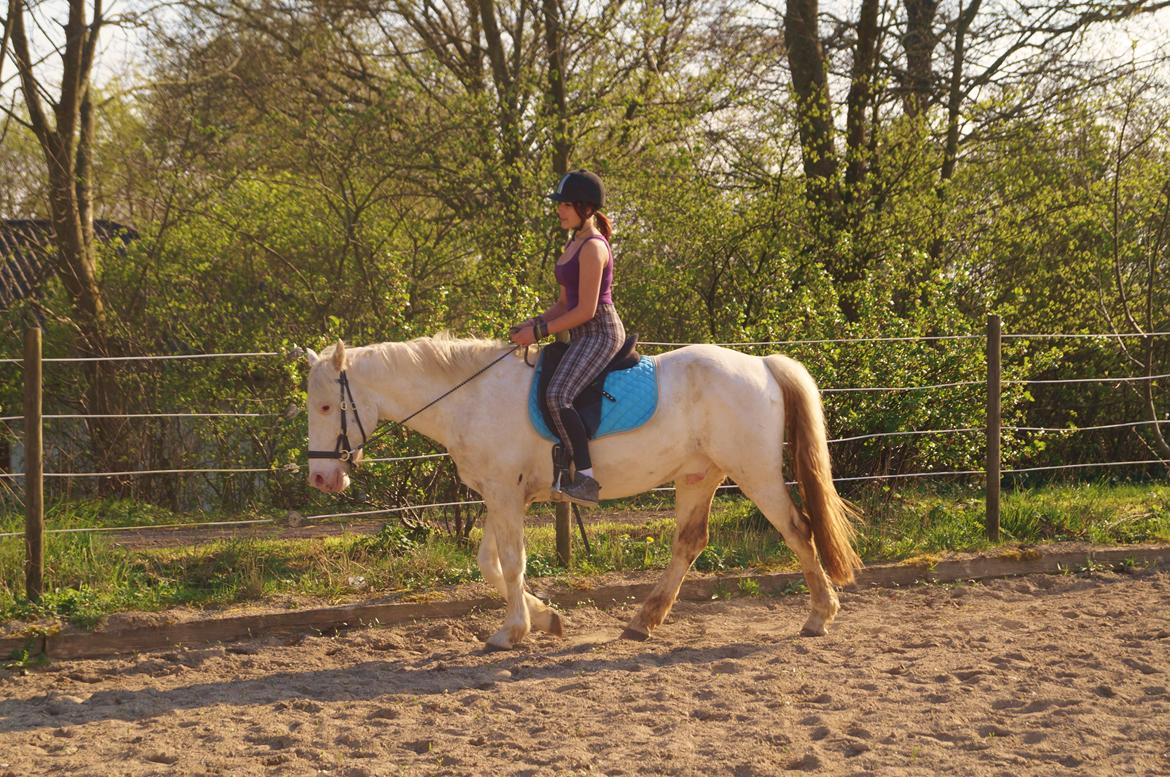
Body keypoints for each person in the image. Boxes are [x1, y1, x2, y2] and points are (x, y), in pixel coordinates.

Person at [510, 169, 625, 506]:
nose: (559, 210)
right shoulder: (572, 243)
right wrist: (531, 323)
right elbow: (563, 304)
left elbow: (586, 309)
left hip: (600, 333)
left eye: (565, 205)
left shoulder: (592, 248)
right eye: (559, 204)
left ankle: (586, 478)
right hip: (579, 332)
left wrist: (540, 332)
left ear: (585, 209)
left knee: (559, 394)